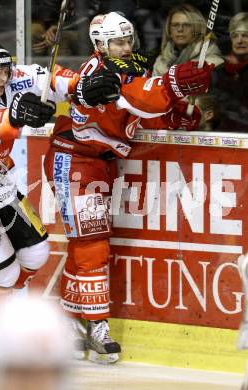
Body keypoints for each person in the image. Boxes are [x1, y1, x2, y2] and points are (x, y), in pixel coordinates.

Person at [43, 11, 214, 364]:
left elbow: (142, 108)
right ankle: (98, 324)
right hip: (73, 161)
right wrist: (172, 85)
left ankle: (73, 320)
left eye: (128, 39)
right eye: (119, 41)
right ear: (100, 45)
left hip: (95, 163)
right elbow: (138, 99)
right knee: (92, 243)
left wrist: (178, 113)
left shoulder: (129, 66)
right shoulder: (98, 73)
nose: (127, 45)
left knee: (84, 242)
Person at [0, 41, 120, 336]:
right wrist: (16, 115)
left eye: (5, 70)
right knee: (5, 276)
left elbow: (54, 79)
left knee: (37, 254)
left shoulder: (16, 76)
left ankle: (3, 309)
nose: (3, 78)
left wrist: (83, 86)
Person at [152, 4, 224, 76]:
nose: (180, 29)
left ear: (196, 28)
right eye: (175, 25)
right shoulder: (162, 59)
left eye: (187, 25)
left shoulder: (210, 54)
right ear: (169, 29)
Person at [210, 12, 248, 132]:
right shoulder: (217, 69)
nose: (240, 40)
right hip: (220, 136)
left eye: (245, 35)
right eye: (235, 35)